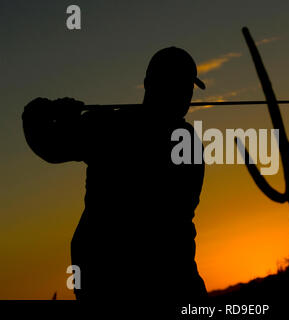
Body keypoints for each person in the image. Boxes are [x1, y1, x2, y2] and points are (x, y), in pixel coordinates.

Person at [22, 47, 207, 304]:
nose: (185, 95)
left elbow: (48, 145)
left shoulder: (107, 126)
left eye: (187, 87)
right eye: (180, 85)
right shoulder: (189, 142)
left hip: (111, 277)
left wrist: (38, 113)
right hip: (169, 276)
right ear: (150, 85)